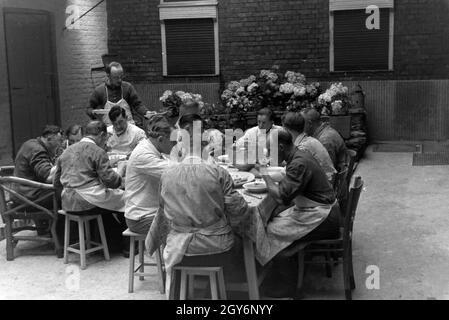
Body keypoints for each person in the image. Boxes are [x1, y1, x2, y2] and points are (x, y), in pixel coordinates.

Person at [146, 115, 249, 297]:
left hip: (180, 250)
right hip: (217, 248)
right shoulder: (218, 172)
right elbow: (239, 210)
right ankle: (230, 290)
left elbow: (163, 211)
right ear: (205, 147)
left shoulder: (167, 174)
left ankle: (191, 290)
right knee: (245, 241)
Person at [255, 129, 340, 297]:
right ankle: (279, 269)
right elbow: (288, 177)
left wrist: (264, 173)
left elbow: (281, 198)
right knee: (272, 219)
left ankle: (288, 284)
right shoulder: (299, 154)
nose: (269, 155)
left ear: (280, 147)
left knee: (268, 230)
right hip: (317, 209)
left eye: (270, 150)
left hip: (325, 217)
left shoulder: (299, 162)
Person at [54, 121, 128, 254]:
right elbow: (111, 181)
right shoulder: (97, 151)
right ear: (101, 135)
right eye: (105, 138)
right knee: (128, 199)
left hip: (67, 201)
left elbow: (56, 182)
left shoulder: (66, 152)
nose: (106, 142)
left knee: (113, 199)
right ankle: (128, 246)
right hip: (87, 201)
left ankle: (109, 242)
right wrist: (121, 171)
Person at [124, 115, 177, 235]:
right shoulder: (143, 154)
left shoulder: (152, 148)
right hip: (142, 218)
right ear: (161, 139)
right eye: (173, 142)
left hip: (152, 212)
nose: (175, 145)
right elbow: (175, 172)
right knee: (188, 225)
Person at [13, 125, 64, 234]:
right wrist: (64, 159)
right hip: (28, 198)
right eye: (59, 141)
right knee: (66, 194)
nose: (61, 144)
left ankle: (51, 231)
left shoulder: (31, 143)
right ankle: (63, 235)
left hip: (22, 194)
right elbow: (48, 177)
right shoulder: (37, 149)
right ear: (49, 138)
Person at [86, 61, 155, 128]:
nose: (119, 80)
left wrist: (146, 112)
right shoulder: (99, 91)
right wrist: (93, 112)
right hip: (110, 130)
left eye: (121, 77)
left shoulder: (128, 87)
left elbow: (138, 105)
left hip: (129, 127)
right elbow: (89, 108)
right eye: (116, 77)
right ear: (108, 76)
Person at [282, 112, 336, 181]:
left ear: (286, 130)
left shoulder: (303, 147)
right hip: (327, 181)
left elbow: (290, 173)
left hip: (324, 186)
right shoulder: (309, 140)